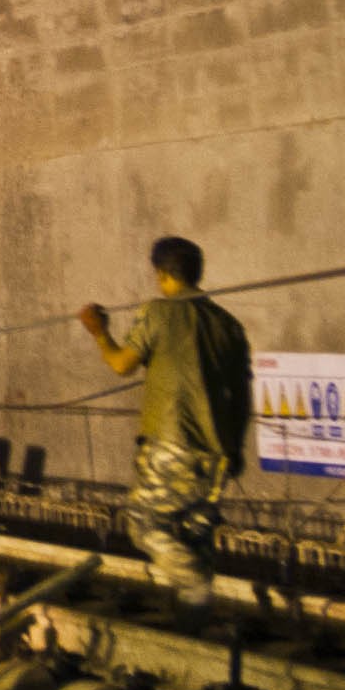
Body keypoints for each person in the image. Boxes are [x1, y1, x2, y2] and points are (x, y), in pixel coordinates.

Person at [80, 235, 252, 607]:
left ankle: (192, 584)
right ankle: (195, 620)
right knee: (196, 536)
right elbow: (243, 398)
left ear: (161, 274)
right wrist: (236, 448)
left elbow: (122, 364)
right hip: (218, 453)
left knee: (143, 523)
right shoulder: (230, 326)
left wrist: (100, 333)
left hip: (171, 446)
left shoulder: (157, 312)